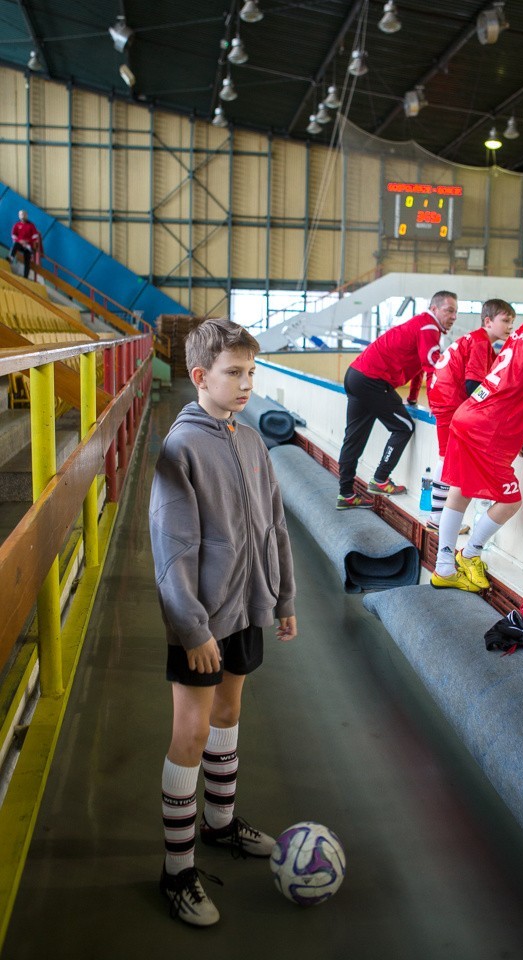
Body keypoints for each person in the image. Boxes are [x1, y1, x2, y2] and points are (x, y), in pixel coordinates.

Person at [149, 317, 297, 926]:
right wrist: (193, 627)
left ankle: (219, 824)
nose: (245, 384)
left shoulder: (252, 440)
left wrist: (282, 597)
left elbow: (275, 524)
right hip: (204, 618)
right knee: (191, 730)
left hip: (247, 608)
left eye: (250, 373)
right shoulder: (181, 448)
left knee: (229, 714)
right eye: (234, 373)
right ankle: (176, 870)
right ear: (199, 375)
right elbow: (173, 546)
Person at [431, 286, 523, 592]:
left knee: (460, 490)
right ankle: (470, 553)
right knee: (511, 501)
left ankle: (444, 566)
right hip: (486, 430)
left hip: (465, 418)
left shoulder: (521, 333)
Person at [336, 291, 458, 510]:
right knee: (404, 426)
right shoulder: (429, 328)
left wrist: (412, 399)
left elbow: (420, 367)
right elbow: (432, 369)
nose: (454, 316)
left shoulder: (421, 326)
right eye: (449, 310)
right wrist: (436, 404)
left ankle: (345, 494)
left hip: (355, 375)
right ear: (434, 309)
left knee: (353, 437)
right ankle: (381, 479)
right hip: (372, 380)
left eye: (455, 312)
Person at [425, 298, 516, 532]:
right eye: (505, 320)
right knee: (446, 457)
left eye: (512, 322)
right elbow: (473, 385)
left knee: (447, 457)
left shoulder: (479, 341)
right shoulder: (480, 343)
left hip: (443, 396)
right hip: (449, 400)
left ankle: (437, 515)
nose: (510, 326)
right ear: (488, 321)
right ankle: (436, 517)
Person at [9, 209, 40, 279]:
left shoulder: (31, 225)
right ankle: (11, 258)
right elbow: (13, 235)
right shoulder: (16, 225)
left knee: (27, 260)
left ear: (27, 215)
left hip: (28, 246)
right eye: (21, 214)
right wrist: (20, 241)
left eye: (24, 214)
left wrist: (27, 242)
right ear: (19, 216)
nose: (23, 216)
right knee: (15, 244)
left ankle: (25, 276)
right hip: (20, 244)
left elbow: (35, 236)